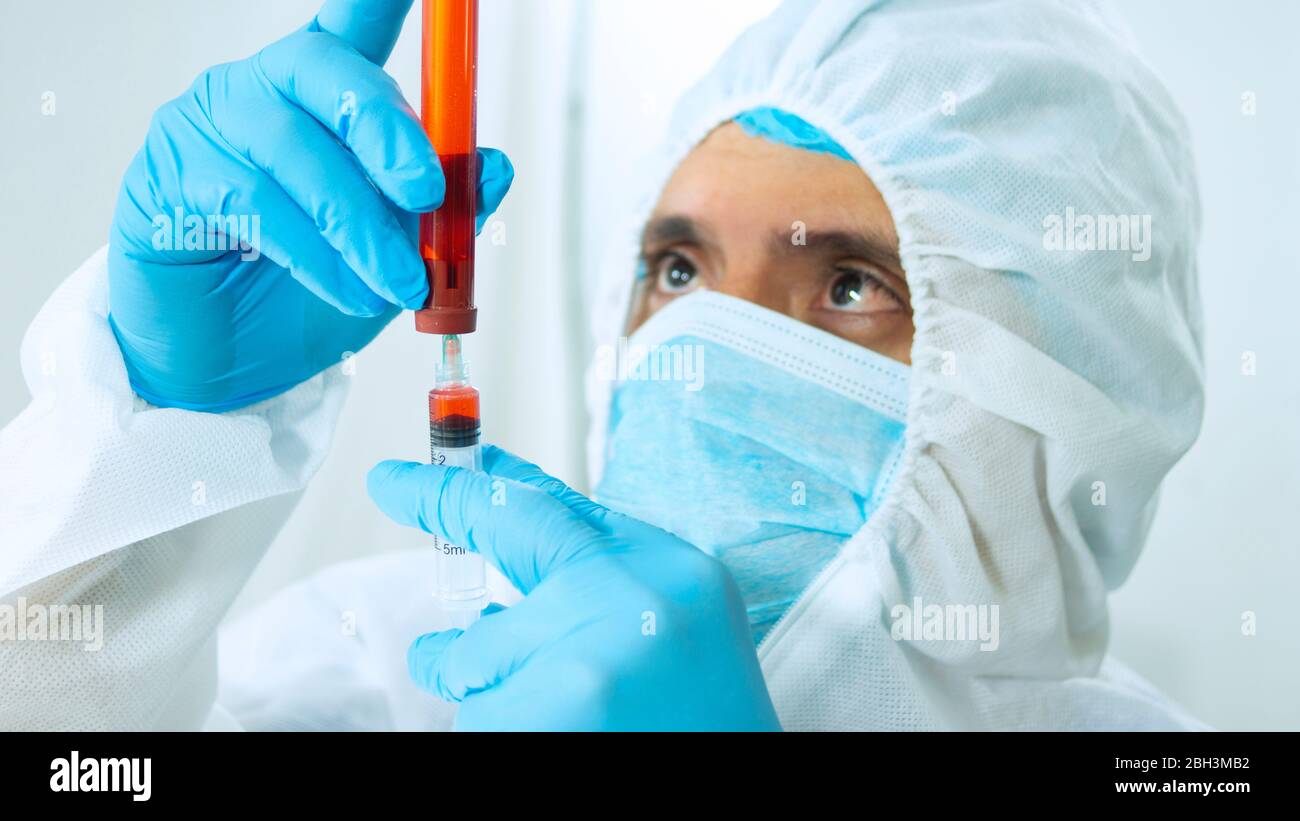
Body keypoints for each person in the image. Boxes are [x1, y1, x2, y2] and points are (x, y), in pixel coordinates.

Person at [0, 0, 1206, 731]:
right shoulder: (393, 665)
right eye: (675, 272)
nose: (696, 354)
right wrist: (155, 438)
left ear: (1053, 393)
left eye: (849, 285)